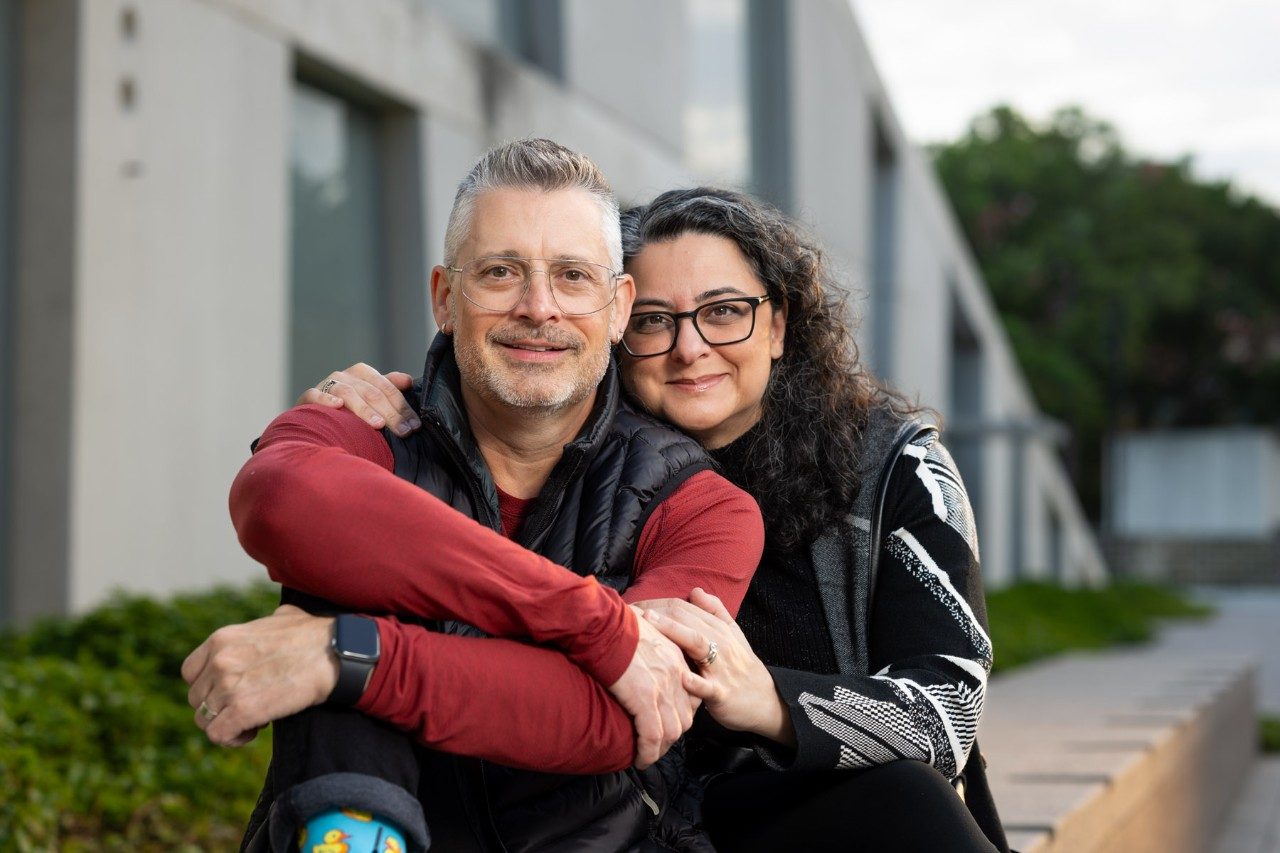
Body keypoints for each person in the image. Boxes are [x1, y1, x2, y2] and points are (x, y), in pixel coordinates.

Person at [312, 187, 1009, 852]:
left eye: (724, 311)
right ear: (616, 326)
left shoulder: (895, 469)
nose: (689, 347)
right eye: (653, 320)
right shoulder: (577, 454)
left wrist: (770, 698)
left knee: (904, 797)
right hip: (619, 816)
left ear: (777, 325)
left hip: (815, 818)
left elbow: (946, 712)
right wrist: (358, 409)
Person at [181, 141, 765, 853]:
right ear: (444, 298)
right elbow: (276, 500)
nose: (537, 307)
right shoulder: (363, 421)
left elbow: (624, 717)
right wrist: (593, 625)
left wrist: (344, 656)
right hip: (350, 819)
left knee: (344, 607)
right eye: (499, 272)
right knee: (345, 558)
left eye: (573, 277)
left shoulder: (702, 506)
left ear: (618, 309)